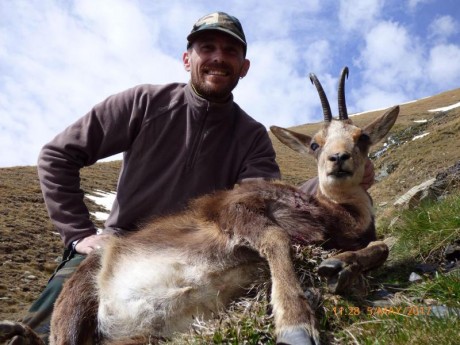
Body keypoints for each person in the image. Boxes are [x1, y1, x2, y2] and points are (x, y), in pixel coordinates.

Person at [5, 11, 374, 344]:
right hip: (119, 245)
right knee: (41, 325)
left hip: (199, 242)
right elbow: (57, 155)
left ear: (243, 67)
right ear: (187, 59)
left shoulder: (251, 136)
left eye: (230, 51)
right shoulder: (142, 103)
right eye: (206, 47)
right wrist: (78, 233)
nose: (218, 57)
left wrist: (339, 182)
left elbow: (262, 200)